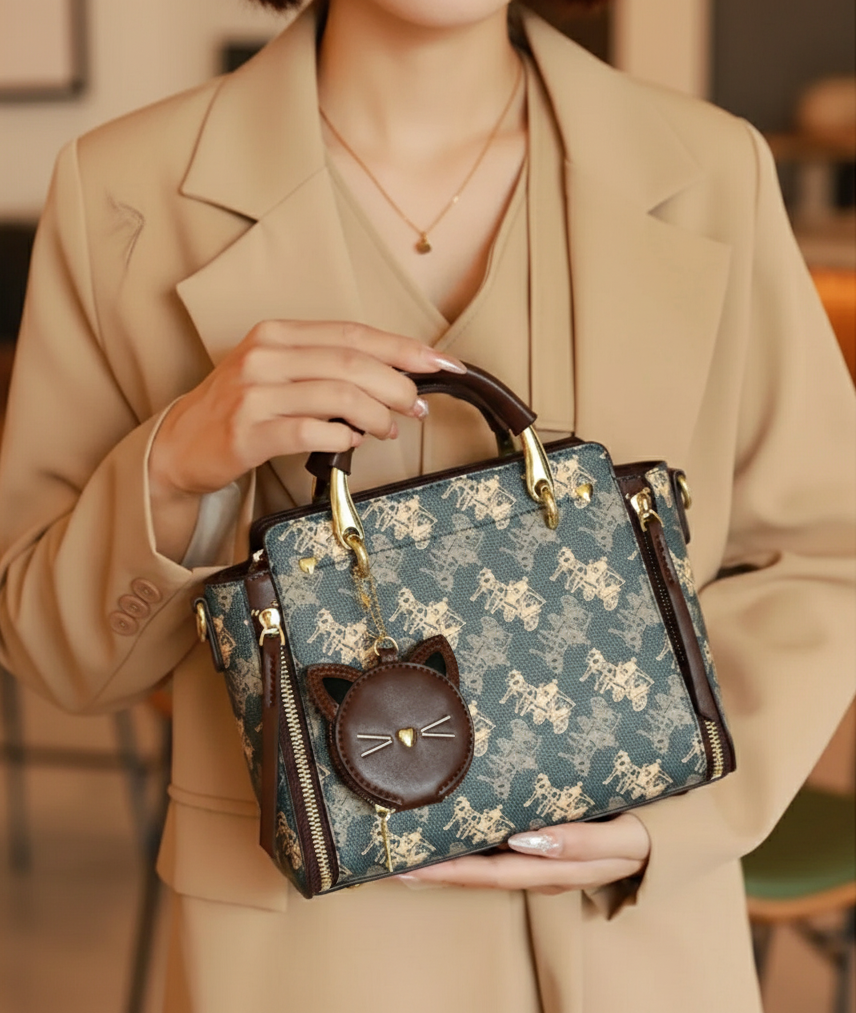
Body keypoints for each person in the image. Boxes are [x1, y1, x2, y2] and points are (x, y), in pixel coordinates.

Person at [0, 1, 853, 1010]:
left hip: (634, 943)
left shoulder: (713, 170)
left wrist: (677, 818)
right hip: (298, 959)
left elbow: (823, 551)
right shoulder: (121, 190)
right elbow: (58, 653)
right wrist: (178, 461)